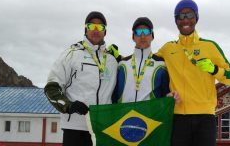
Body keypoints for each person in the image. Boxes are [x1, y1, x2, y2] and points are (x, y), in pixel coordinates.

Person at [155, 0, 230, 146]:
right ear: (176, 21)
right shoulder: (168, 48)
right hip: (178, 117)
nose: (185, 19)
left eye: (190, 14)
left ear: (196, 18)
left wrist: (214, 69)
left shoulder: (209, 46)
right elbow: (148, 62)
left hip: (205, 118)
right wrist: (118, 58)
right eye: (181, 16)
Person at [44, 11, 118, 146]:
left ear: (105, 31)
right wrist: (69, 106)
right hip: (75, 128)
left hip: (103, 128)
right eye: (91, 26)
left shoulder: (112, 60)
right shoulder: (71, 54)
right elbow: (51, 88)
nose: (96, 30)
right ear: (86, 29)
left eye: (100, 27)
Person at [112, 17, 178, 103]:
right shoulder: (122, 64)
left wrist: (169, 96)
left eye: (146, 32)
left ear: (152, 36)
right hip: (126, 115)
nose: (142, 36)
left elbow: (165, 94)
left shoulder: (161, 64)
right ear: (133, 37)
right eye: (138, 32)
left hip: (150, 115)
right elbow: (114, 94)